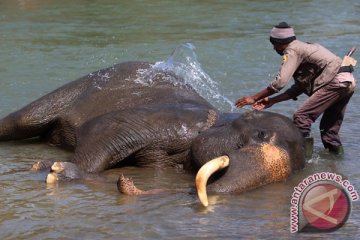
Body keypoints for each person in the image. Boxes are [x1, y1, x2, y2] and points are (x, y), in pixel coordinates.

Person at [235, 22, 356, 155]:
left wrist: (254, 97)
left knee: (302, 117)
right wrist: (272, 101)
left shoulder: (292, 50)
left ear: (280, 44)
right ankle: (337, 163)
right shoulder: (304, 47)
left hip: (334, 83)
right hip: (346, 82)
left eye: (274, 45)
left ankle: (303, 161)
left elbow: (280, 82)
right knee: (329, 131)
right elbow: (299, 87)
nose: (274, 49)